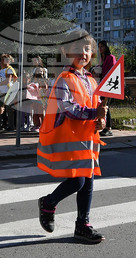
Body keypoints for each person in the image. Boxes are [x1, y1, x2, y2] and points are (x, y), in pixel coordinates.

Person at [36, 29, 107, 244]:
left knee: (88, 182)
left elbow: (95, 107)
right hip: (71, 140)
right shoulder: (64, 79)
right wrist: (95, 113)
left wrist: (101, 122)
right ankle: (48, 203)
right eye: (77, 49)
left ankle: (82, 225)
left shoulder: (91, 81)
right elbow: (69, 108)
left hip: (88, 140)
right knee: (78, 181)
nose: (83, 53)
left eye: (87, 49)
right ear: (66, 52)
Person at [97, 40, 116, 137]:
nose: (100, 48)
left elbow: (112, 71)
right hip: (101, 85)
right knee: (103, 106)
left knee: (105, 106)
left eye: (102, 46)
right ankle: (105, 127)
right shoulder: (101, 58)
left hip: (109, 85)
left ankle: (108, 128)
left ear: (106, 47)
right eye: (99, 46)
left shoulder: (110, 57)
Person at [0, 54, 17, 131]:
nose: (1, 61)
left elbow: (8, 81)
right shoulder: (1, 70)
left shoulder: (10, 69)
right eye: (2, 59)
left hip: (7, 92)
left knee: (9, 110)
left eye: (4, 60)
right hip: (0, 92)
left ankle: (11, 126)